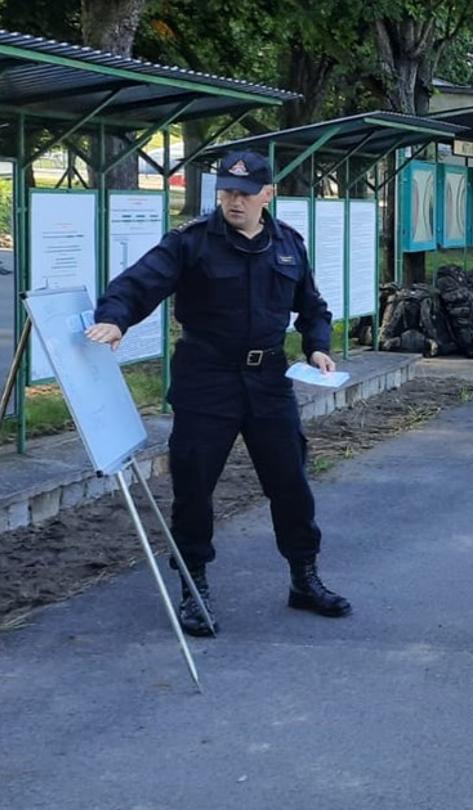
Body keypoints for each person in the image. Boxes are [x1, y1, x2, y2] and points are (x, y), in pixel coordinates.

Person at [86, 151, 350, 637]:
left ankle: (304, 577)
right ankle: (193, 585)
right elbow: (137, 284)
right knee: (194, 487)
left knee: (290, 482)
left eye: (245, 193)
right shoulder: (191, 242)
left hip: (268, 381)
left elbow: (312, 306)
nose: (234, 201)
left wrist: (317, 347)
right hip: (206, 380)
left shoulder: (288, 245)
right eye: (227, 192)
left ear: (267, 194)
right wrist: (114, 319)